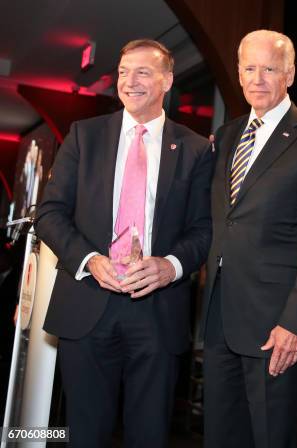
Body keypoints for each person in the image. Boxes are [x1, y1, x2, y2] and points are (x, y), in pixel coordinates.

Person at [35, 39, 213, 448]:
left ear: (167, 80)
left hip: (157, 313)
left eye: (143, 72)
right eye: (122, 72)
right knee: (84, 434)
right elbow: (50, 214)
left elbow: (204, 229)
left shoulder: (196, 149)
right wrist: (90, 259)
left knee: (149, 435)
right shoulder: (85, 136)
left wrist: (170, 265)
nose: (129, 82)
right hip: (86, 304)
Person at [201, 30, 297, 448]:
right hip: (220, 322)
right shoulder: (226, 137)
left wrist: (295, 324)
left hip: (275, 330)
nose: (257, 78)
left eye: (269, 68)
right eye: (249, 68)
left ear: (290, 74)